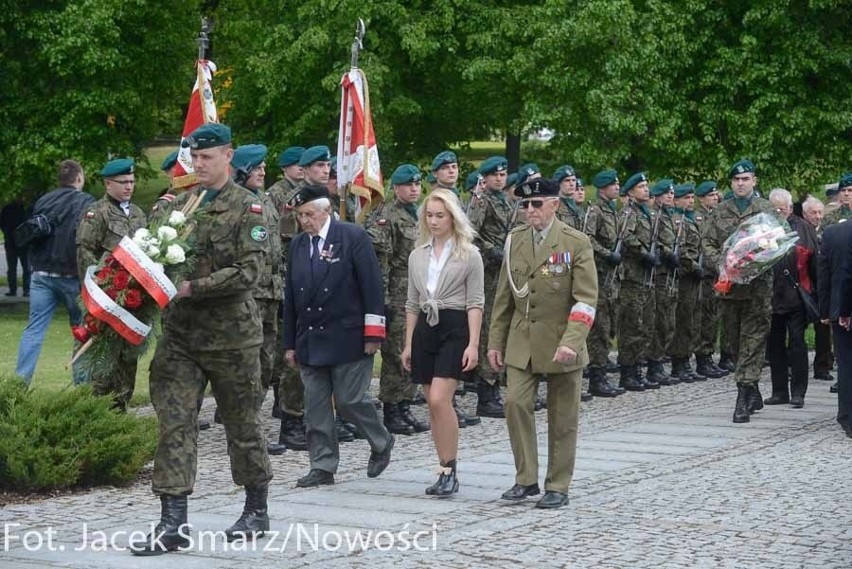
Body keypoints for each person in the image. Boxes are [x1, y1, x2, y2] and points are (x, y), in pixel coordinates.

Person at [131, 124, 273, 555]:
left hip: (231, 337)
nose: (199, 165)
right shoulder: (175, 203)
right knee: (174, 424)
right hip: (180, 338)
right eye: (195, 157)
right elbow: (148, 250)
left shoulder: (248, 209)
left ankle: (256, 508)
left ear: (228, 156)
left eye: (207, 157)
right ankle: (172, 521)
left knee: (242, 424)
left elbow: (250, 273)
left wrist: (196, 287)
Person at [488, 177, 598, 509]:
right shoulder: (515, 240)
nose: (530, 211)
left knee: (563, 415)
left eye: (537, 204)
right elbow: (503, 298)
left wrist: (573, 341)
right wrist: (495, 342)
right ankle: (526, 478)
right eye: (524, 205)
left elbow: (585, 300)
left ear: (554, 205)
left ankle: (558, 484)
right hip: (522, 340)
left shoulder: (575, 242)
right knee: (515, 403)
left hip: (561, 339)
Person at [283, 184, 394, 489]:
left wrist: (374, 333)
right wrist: (289, 343)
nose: (304, 221)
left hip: (348, 334)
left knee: (349, 400)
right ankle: (322, 464)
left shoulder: (351, 237)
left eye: (308, 214)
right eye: (300, 215)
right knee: (316, 406)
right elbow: (291, 297)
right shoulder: (298, 245)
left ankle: (381, 440)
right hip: (310, 338)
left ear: (326, 210)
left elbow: (372, 286)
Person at [402, 188, 484, 495]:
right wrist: (409, 343)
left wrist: (473, 344)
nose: (434, 221)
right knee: (431, 405)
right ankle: (444, 469)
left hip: (455, 326)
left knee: (440, 399)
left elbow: (476, 302)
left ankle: (452, 467)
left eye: (440, 215)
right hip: (426, 327)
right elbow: (411, 303)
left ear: (453, 217)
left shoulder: (469, 254)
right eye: (429, 215)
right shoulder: (417, 255)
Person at [703, 159, 780, 423]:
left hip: (757, 290)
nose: (740, 183)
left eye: (745, 179)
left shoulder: (766, 209)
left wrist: (757, 261)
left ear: (754, 181)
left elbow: (782, 239)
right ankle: (752, 387)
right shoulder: (720, 211)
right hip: (730, 289)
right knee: (734, 343)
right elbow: (708, 242)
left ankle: (743, 396)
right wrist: (723, 264)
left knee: (754, 339)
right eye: (736, 180)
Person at [75, 158, 146, 411]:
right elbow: (85, 252)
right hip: (104, 301)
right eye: (123, 182)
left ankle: (121, 410)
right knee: (102, 362)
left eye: (132, 181)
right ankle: (95, 414)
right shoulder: (97, 212)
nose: (129, 186)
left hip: (132, 301)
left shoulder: (138, 213)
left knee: (127, 359)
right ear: (108, 184)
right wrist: (99, 289)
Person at [15, 160, 94, 385]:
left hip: (41, 274)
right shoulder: (86, 201)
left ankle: (20, 384)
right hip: (71, 276)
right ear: (79, 178)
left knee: (34, 330)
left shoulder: (44, 199)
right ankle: (82, 386)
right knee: (81, 330)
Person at [365, 164, 431, 435]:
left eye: (417, 184)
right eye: (408, 185)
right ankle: (392, 408)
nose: (414, 189)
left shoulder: (420, 214)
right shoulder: (387, 216)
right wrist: (384, 301)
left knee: (416, 348)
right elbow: (381, 263)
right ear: (396, 188)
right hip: (398, 293)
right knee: (396, 353)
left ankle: (405, 404)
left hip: (420, 292)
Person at [231, 144, 287, 455]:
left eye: (264, 166)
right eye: (256, 167)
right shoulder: (237, 203)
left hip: (271, 294)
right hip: (248, 295)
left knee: (266, 364)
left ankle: (252, 430)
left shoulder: (264, 201)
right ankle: (245, 435)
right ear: (241, 171)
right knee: (247, 366)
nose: (263, 172)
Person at [266, 145, 309, 450]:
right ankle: (287, 410)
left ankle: (299, 412)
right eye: (299, 165)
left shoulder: (307, 193)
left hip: (301, 279)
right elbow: (283, 242)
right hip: (282, 283)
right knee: (280, 351)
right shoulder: (278, 195)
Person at [467, 156, 512, 420]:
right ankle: (487, 392)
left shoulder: (506, 202)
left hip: (505, 272)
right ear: (485, 178)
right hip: (488, 272)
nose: (499, 178)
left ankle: (497, 383)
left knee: (502, 327)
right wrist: (490, 250)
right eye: (494, 175)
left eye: (503, 174)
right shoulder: (481, 201)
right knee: (489, 330)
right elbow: (471, 232)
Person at [765, 188, 818, 408]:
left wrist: (815, 294)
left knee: (797, 344)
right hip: (771, 296)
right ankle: (779, 391)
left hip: (796, 295)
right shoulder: (763, 227)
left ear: (790, 207)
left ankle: (798, 392)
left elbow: (814, 263)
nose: (779, 212)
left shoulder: (803, 228)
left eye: (783, 208)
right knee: (774, 344)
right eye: (774, 208)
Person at [581, 168, 625, 397]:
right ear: (602, 188)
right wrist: (606, 253)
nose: (617, 187)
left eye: (617, 184)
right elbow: (587, 238)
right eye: (612, 184)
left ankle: (602, 370)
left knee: (609, 324)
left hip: (613, 277)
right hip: (599, 274)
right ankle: (596, 375)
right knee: (599, 326)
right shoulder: (596, 210)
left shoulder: (614, 211)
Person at [615, 172, 659, 391]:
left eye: (646, 185)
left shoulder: (648, 213)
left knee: (644, 324)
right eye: (641, 186)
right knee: (632, 324)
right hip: (631, 276)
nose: (646, 189)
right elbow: (626, 237)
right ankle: (627, 372)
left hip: (644, 277)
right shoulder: (628, 213)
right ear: (631, 192)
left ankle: (637, 369)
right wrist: (643, 253)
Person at [818, 204, 852, 438]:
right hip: (845, 310)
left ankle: (847, 415)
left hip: (840, 310)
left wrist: (826, 311)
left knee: (847, 362)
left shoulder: (832, 233)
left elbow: (824, 275)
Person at [668, 183, 708, 383]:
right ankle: (679, 361)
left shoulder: (695, 218)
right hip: (684, 275)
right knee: (683, 319)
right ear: (676, 201)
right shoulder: (677, 220)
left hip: (696, 276)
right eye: (686, 198)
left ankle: (687, 359)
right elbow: (680, 249)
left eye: (692, 198)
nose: (690, 202)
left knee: (694, 319)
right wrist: (694, 266)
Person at [693, 181, 728, 378]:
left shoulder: (714, 216)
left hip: (714, 273)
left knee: (713, 316)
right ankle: (702, 358)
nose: (715, 198)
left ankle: (708, 356)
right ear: (702, 198)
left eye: (716, 195)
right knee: (705, 317)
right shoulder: (700, 218)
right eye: (711, 195)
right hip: (703, 274)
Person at [803, 196, 834, 382]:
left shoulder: (828, 230)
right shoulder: (800, 230)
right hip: (804, 284)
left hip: (822, 285)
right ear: (805, 214)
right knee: (798, 327)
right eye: (813, 213)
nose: (818, 216)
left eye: (820, 212)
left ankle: (822, 366)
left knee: (823, 328)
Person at [1, 196, 30, 296]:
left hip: (17, 241)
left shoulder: (25, 209)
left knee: (23, 268)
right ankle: (20, 290)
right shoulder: (26, 209)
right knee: (19, 268)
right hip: (17, 241)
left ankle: (21, 290)